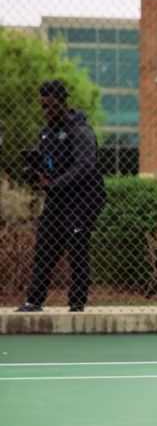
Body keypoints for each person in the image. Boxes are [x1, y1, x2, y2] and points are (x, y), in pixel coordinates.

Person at [15, 80, 107, 313]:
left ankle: (76, 304)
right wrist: (38, 176)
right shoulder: (45, 134)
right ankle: (34, 301)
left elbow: (85, 165)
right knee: (45, 246)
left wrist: (53, 183)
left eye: (51, 106)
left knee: (77, 246)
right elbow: (50, 166)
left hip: (85, 198)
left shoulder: (80, 130)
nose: (47, 111)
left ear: (63, 103)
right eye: (43, 106)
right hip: (59, 197)